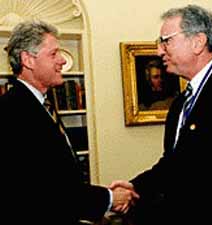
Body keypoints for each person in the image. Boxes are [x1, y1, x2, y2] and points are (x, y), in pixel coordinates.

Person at [0, 20, 139, 224]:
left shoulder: (40, 105)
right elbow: (44, 191)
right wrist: (110, 198)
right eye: (54, 54)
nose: (62, 61)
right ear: (28, 60)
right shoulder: (12, 113)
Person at [110, 4, 212, 224]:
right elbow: (174, 164)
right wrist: (134, 187)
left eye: (166, 41)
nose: (159, 51)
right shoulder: (180, 103)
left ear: (197, 42)